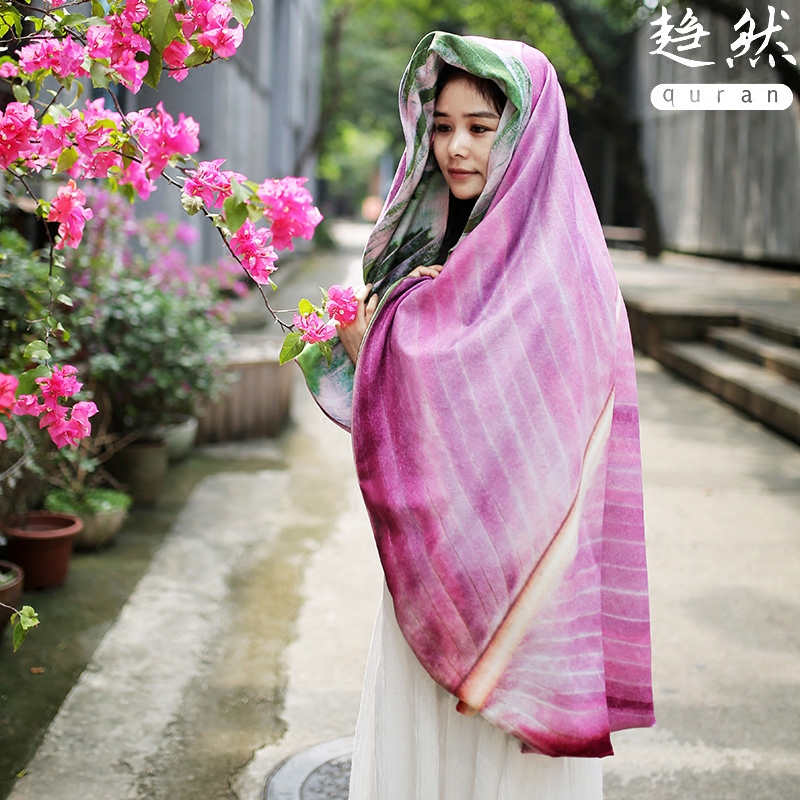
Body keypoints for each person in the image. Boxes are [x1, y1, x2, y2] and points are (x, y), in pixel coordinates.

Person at [298, 31, 655, 800]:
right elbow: (421, 417)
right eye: (442, 125)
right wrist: (379, 339)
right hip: (437, 564)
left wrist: (381, 343)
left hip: (523, 578)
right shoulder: (436, 245)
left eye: (481, 127)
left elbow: (524, 425)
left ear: (525, 132)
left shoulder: (564, 272)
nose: (456, 147)